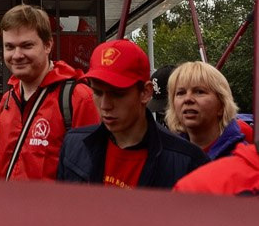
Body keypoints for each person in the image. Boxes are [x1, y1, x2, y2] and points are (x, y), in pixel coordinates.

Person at [57, 39, 207, 189]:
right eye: (97, 92)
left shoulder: (188, 162)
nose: (105, 105)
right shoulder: (73, 145)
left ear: (145, 93)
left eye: (117, 94)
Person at [0, 4, 99, 180]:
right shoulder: (7, 101)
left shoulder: (78, 99)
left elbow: (93, 174)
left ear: (48, 45)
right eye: (9, 47)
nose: (17, 55)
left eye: (26, 45)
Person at [164, 61, 248, 160]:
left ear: (222, 105)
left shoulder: (243, 160)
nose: (187, 99)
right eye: (180, 93)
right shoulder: (166, 159)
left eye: (199, 92)